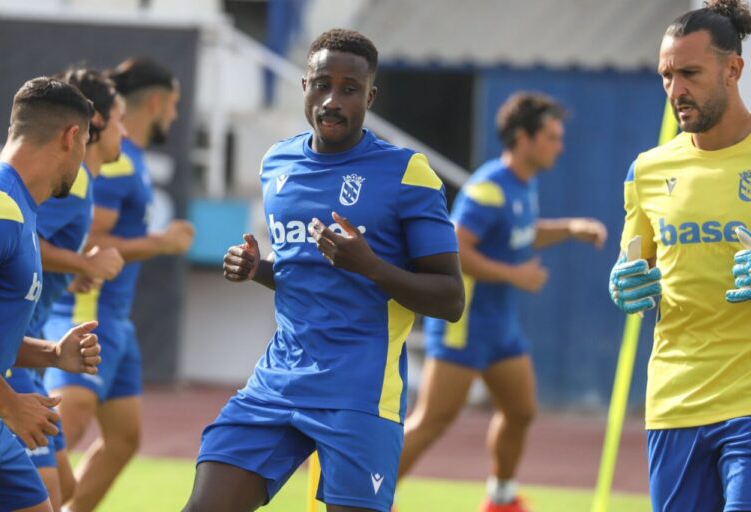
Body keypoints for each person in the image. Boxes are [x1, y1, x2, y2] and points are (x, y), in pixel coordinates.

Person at [183, 28, 464, 512]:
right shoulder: (277, 163)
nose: (332, 100)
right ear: (304, 86)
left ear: (370, 97)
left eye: (349, 89)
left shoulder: (406, 172)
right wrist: (258, 269)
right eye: (321, 84)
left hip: (358, 392)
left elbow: (450, 299)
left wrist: (372, 267)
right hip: (278, 381)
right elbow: (303, 270)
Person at [400, 93, 607, 512]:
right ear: (522, 138)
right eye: (551, 137)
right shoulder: (488, 188)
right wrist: (516, 275)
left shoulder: (523, 184)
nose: (559, 146)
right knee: (432, 420)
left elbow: (522, 233)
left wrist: (569, 228)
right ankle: (367, 498)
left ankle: (500, 499)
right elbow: (455, 249)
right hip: (465, 324)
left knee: (521, 410)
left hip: (500, 324)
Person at [608, 1, 751, 510]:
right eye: (667, 76)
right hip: (674, 401)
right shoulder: (647, 170)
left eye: (689, 73)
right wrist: (622, 283)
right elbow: (634, 264)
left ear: (732, 68)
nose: (676, 90)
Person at [42, 58, 194, 512]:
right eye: (174, 105)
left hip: (116, 318)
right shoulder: (118, 163)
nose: (174, 116)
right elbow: (89, 239)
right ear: (157, 101)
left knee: (124, 438)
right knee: (59, 431)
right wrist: (160, 243)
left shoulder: (132, 159)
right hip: (89, 309)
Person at [6, 67, 126, 511]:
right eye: (121, 120)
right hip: (9, 366)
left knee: (64, 490)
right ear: (83, 131)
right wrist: (83, 261)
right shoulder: (62, 188)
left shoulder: (70, 187)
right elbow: (21, 238)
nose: (125, 132)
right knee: (53, 494)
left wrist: (54, 353)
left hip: (23, 354)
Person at [0, 77, 101, 512]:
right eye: (87, 141)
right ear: (72, 137)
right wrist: (12, 404)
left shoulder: (23, 213)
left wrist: (53, 354)